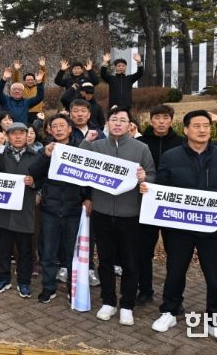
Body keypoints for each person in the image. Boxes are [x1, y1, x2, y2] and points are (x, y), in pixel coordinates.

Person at [146, 110, 217, 348]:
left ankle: (216, 321)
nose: (202, 130)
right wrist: (149, 189)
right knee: (175, 272)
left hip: (212, 228)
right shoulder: (171, 157)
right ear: (186, 130)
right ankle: (169, 311)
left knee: (215, 277)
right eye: (196, 125)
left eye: (206, 125)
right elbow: (162, 187)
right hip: (179, 228)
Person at [80, 107, 155, 326]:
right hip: (102, 212)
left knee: (130, 262)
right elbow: (79, 164)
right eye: (114, 119)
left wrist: (145, 178)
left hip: (130, 214)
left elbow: (152, 175)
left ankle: (127, 305)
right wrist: (85, 142)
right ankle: (108, 301)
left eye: (122, 120)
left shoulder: (141, 148)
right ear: (107, 123)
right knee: (105, 261)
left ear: (130, 125)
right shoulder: (96, 147)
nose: (118, 123)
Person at [30, 114, 92, 303]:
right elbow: (33, 172)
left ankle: (73, 288)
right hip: (50, 209)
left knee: (72, 253)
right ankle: (48, 287)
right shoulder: (46, 149)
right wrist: (46, 155)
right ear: (49, 130)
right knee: (49, 252)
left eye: (62, 125)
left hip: (74, 209)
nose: (58, 129)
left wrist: (88, 198)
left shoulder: (80, 150)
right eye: (54, 126)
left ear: (70, 129)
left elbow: (90, 177)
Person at [135, 104, 183, 305]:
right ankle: (145, 290)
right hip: (145, 204)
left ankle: (174, 297)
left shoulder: (182, 143)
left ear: (171, 120)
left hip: (173, 205)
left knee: (176, 254)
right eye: (157, 117)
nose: (161, 122)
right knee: (143, 251)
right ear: (150, 120)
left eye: (165, 117)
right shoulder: (140, 143)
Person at [0, 122, 41, 298]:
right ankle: (3, 279)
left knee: (25, 250)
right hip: (3, 209)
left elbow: (42, 179)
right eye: (13, 133)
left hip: (25, 209)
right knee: (3, 248)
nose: (18, 137)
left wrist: (33, 183)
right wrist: (0, 146)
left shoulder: (36, 156)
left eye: (21, 133)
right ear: (8, 136)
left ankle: (24, 282)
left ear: (27, 136)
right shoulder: (2, 153)